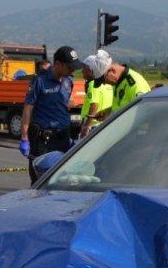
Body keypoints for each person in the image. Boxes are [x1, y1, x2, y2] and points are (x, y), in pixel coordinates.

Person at [19, 46, 82, 182]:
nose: (73, 70)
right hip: (44, 140)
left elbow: (65, 102)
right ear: (58, 64)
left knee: (65, 180)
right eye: (70, 67)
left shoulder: (68, 81)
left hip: (64, 137)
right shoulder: (39, 81)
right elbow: (28, 108)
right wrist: (24, 136)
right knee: (41, 181)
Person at [79, 52, 115, 137]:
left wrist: (86, 127)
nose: (82, 71)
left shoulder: (93, 84)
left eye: (84, 68)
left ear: (90, 69)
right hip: (104, 122)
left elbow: (94, 104)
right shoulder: (109, 84)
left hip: (93, 125)